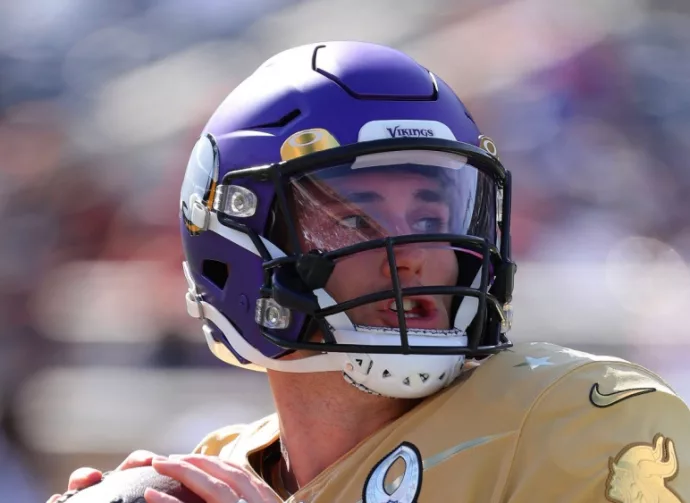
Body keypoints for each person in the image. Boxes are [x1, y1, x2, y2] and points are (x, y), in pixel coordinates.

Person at [49, 41, 690, 503]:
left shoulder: (579, 419)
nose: (416, 251)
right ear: (242, 240)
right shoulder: (208, 471)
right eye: (358, 220)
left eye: (434, 212)